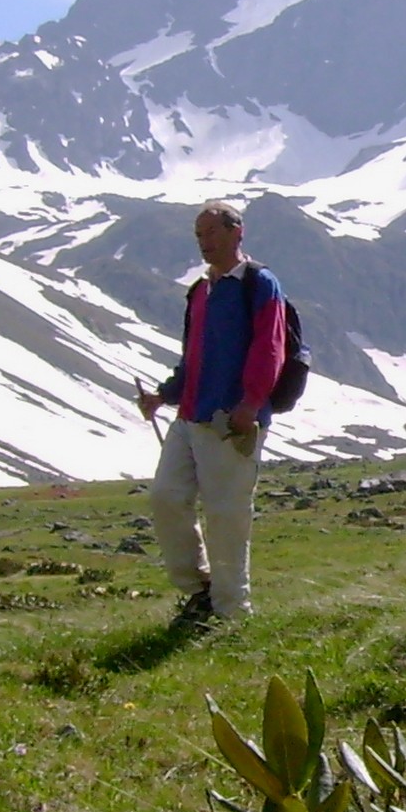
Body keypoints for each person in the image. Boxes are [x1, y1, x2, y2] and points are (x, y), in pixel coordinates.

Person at [137, 199, 287, 622]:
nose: (205, 243)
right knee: (166, 497)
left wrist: (252, 403)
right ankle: (199, 588)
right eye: (200, 236)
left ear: (237, 233)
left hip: (230, 421)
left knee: (226, 514)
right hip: (190, 415)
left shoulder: (258, 284)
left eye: (212, 234)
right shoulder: (201, 291)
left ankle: (232, 611)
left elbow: (269, 349)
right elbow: (193, 357)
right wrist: (164, 396)